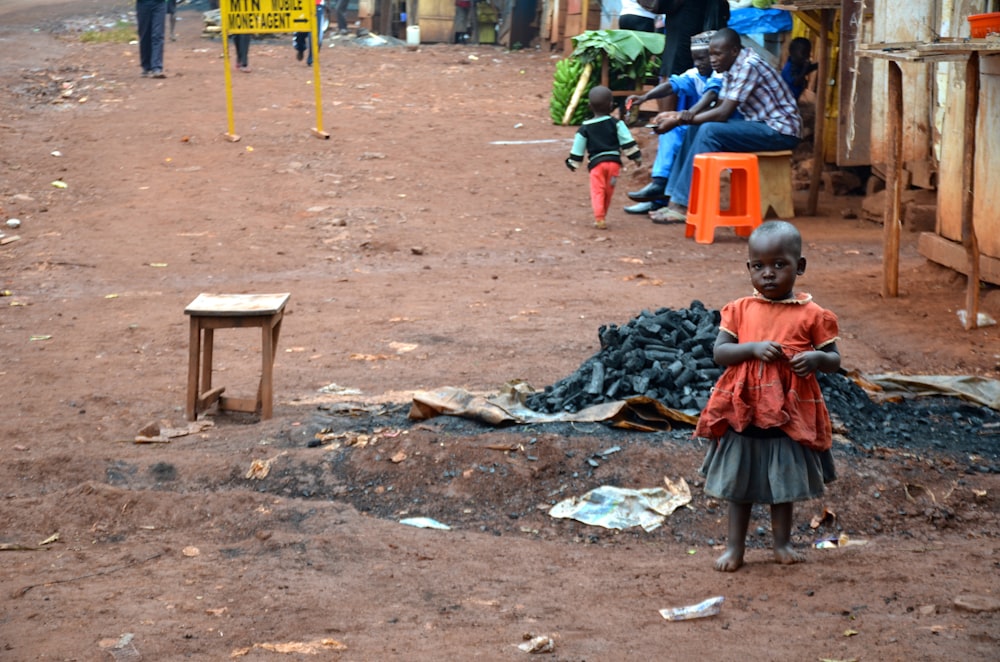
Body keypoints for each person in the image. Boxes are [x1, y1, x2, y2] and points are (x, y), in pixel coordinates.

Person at [695, 221, 840, 572]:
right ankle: (735, 549)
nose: (769, 274)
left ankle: (782, 543)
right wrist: (753, 349)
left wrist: (817, 359)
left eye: (780, 264)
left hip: (789, 411)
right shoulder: (741, 309)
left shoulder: (812, 314)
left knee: (783, 485)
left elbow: (835, 360)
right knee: (739, 486)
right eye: (759, 266)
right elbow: (720, 353)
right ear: (749, 269)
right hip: (745, 408)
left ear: (800, 266)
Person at [652, 27, 801, 223]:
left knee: (709, 130)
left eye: (717, 54)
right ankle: (674, 199)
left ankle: (684, 204)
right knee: (697, 127)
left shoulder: (749, 65)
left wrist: (678, 120)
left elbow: (723, 113)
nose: (713, 59)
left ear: (734, 51)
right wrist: (680, 116)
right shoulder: (731, 67)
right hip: (762, 125)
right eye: (711, 54)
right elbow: (720, 106)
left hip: (781, 130)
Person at [623, 30, 722, 217]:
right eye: (695, 59)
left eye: (702, 59)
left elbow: (711, 96)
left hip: (720, 129)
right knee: (671, 132)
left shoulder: (722, 73)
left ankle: (660, 195)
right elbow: (672, 85)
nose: (697, 63)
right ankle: (659, 189)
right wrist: (644, 97)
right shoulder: (697, 74)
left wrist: (680, 116)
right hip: (703, 125)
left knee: (676, 129)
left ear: (715, 56)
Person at [565, 85, 642, 230]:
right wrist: (636, 157)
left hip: (596, 166)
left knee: (597, 190)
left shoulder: (585, 128)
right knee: (608, 190)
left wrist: (573, 163)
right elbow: (627, 141)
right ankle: (603, 213)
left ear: (589, 106)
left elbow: (578, 149)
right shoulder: (616, 124)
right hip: (614, 165)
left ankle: (599, 217)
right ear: (612, 106)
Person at [136, 0, 167, 78]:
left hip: (159, 3)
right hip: (143, 3)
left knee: (158, 35)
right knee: (144, 35)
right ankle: (146, 67)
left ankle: (156, 67)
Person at [782, 36, 819, 101]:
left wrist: (816, 66)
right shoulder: (790, 68)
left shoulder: (797, 63)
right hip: (787, 98)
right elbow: (796, 82)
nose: (808, 56)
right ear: (793, 53)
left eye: (808, 53)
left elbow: (806, 70)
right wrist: (805, 68)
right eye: (804, 54)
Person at [295, 0, 326, 65]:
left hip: (317, 4)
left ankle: (312, 58)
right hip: (301, 4)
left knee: (316, 33)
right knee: (300, 31)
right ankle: (300, 48)